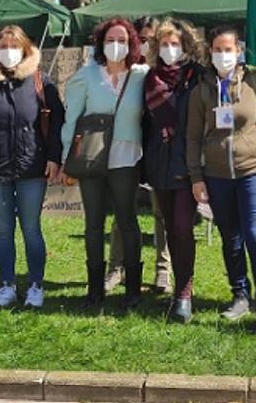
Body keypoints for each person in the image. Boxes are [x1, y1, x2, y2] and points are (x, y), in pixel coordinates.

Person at [187, 25, 256, 337]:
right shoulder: (201, 90)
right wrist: (196, 177)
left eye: (228, 49)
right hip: (217, 175)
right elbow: (192, 137)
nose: (223, 54)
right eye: (217, 49)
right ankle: (240, 295)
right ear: (210, 52)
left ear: (239, 51)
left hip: (253, 170)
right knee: (231, 239)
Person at [0, 25, 66, 308]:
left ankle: (36, 285)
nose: (9, 52)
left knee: (31, 227)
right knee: (3, 228)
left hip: (32, 167)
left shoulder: (39, 81)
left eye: (14, 46)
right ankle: (6, 285)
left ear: (25, 49)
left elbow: (57, 122)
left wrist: (53, 158)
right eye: (3, 47)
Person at [60, 16, 149, 310]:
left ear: (131, 43)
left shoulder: (141, 75)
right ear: (100, 43)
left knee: (127, 220)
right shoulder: (87, 75)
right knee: (93, 224)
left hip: (126, 157)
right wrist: (65, 159)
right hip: (91, 159)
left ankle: (133, 288)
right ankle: (95, 289)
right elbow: (72, 117)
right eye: (110, 40)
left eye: (122, 40)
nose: (116, 45)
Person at [141, 19, 203, 323]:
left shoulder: (197, 77)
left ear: (186, 45)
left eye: (175, 43)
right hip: (159, 163)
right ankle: (178, 288)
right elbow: (145, 124)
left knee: (182, 227)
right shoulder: (150, 79)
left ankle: (183, 294)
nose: (169, 49)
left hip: (189, 164)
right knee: (169, 226)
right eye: (163, 44)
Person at [106, 16, 173, 295]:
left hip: (160, 151)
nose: (147, 44)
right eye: (142, 39)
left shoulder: (169, 73)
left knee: (163, 213)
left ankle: (163, 270)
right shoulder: (128, 72)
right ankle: (115, 268)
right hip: (130, 148)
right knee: (123, 210)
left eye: (151, 39)